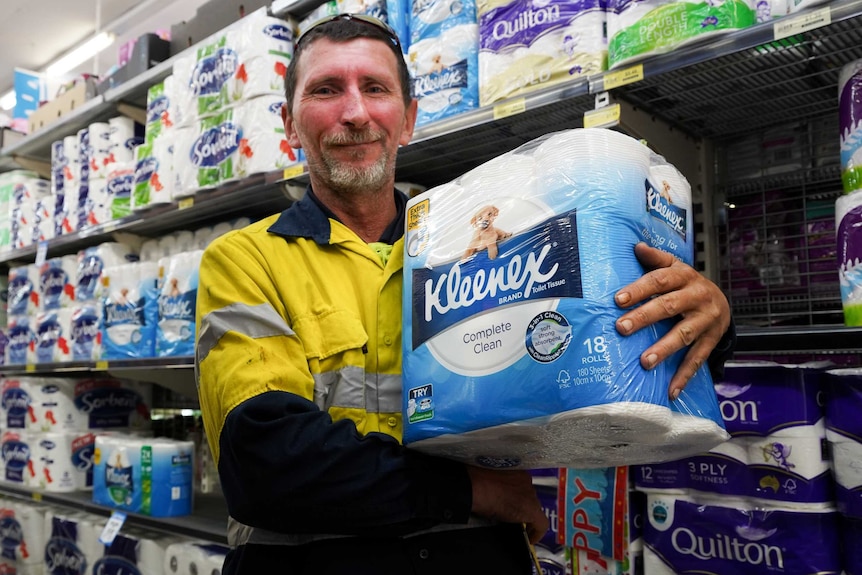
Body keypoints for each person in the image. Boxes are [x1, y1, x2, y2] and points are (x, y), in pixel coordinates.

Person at [195, 13, 735, 574]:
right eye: (326, 90)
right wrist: (478, 490)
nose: (354, 113)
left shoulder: (478, 237)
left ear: (407, 120)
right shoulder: (247, 259)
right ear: (289, 123)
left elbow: (595, 342)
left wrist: (704, 320)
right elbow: (266, 466)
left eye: (375, 89)